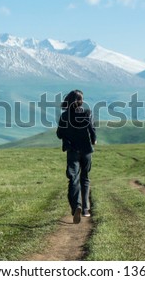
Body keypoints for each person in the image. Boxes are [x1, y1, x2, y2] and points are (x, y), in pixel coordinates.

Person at [56, 89, 97, 224]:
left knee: (73, 179)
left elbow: (59, 134)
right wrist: (94, 140)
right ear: (80, 101)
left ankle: (76, 207)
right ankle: (85, 209)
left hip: (72, 151)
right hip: (86, 150)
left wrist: (67, 137)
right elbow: (91, 128)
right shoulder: (86, 113)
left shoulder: (64, 116)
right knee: (85, 178)